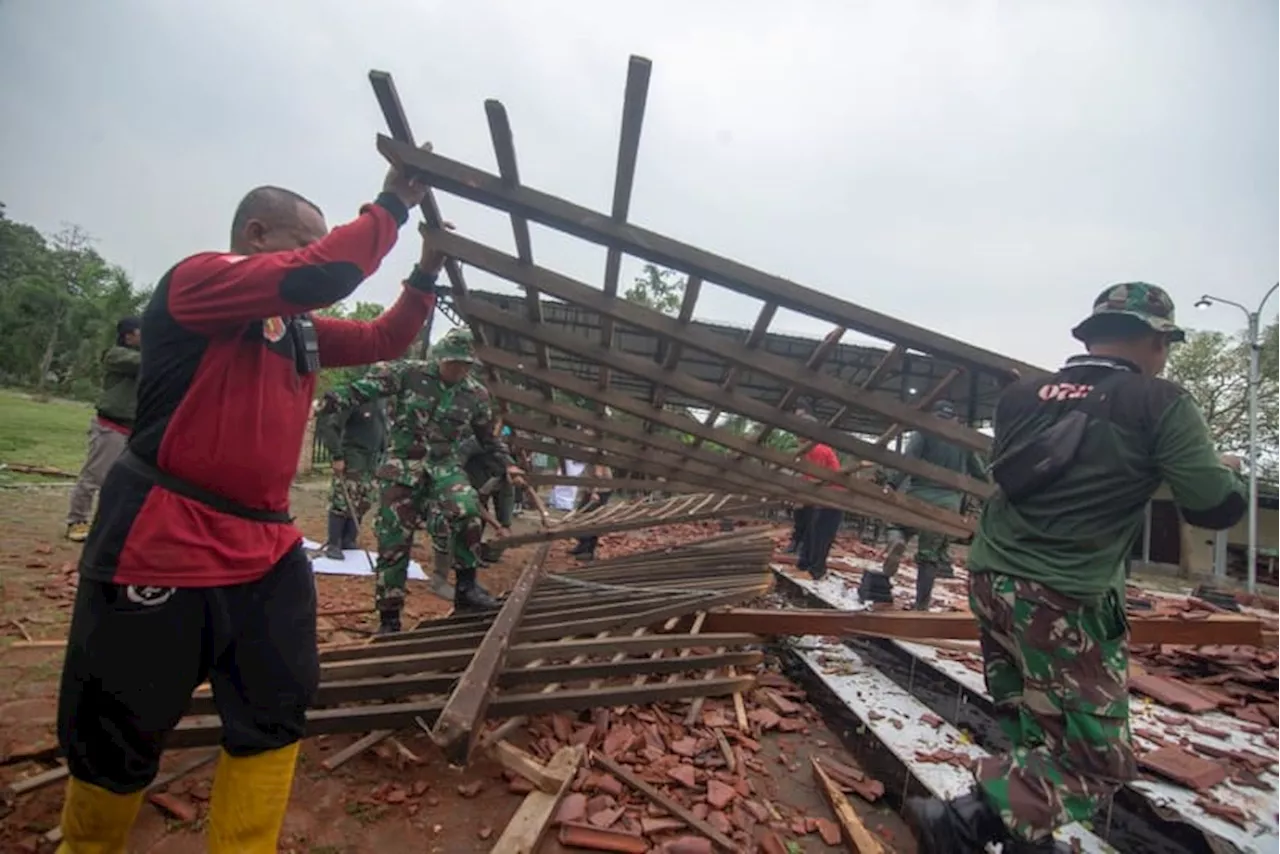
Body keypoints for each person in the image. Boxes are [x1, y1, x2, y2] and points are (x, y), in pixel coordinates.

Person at [54, 156, 445, 853]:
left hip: (265, 548)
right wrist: (393, 204)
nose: (316, 256)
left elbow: (385, 339)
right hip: (167, 536)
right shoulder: (200, 282)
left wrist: (424, 276)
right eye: (305, 239)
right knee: (120, 719)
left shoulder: (297, 330)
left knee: (276, 705)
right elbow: (327, 271)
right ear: (256, 235)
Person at [905, 283, 1247, 854]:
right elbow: (1213, 505)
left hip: (993, 578)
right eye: (1165, 345)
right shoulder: (1159, 401)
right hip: (1065, 593)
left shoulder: (1022, 396)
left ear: (1090, 335)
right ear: (1155, 340)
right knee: (1095, 758)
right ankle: (964, 821)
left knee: (1031, 722)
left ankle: (1027, 844)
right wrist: (1224, 467)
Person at [318, 328, 523, 633]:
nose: (458, 370)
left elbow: (488, 439)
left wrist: (510, 465)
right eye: (453, 363)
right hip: (402, 465)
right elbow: (364, 389)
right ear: (440, 358)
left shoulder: (476, 395)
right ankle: (389, 617)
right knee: (393, 540)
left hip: (444, 467)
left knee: (466, 509)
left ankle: (466, 588)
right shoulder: (407, 374)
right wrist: (329, 400)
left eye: (465, 365)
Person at [859, 399, 988, 610]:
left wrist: (892, 483)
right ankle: (921, 605)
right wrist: (989, 498)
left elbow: (908, 461)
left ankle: (897, 542)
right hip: (948, 504)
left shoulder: (925, 431)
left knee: (896, 525)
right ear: (954, 417)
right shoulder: (964, 440)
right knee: (930, 556)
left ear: (934, 414)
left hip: (919, 495)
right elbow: (979, 473)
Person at [65, 317, 142, 542]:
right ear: (128, 336)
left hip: (133, 430)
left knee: (125, 481)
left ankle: (112, 524)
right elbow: (144, 362)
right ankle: (76, 521)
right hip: (111, 427)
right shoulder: (116, 355)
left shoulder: (147, 359)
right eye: (141, 332)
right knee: (94, 477)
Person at [315, 392, 388, 560]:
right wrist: (337, 455)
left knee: (364, 499)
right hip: (353, 457)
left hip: (373, 460)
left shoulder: (381, 400)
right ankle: (334, 543)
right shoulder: (356, 397)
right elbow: (331, 427)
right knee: (343, 499)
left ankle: (349, 539)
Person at [795, 425, 843, 580]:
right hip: (819, 498)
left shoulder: (818, 450)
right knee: (811, 532)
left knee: (821, 535)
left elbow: (818, 478)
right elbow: (807, 477)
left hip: (832, 497)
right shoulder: (807, 451)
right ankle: (804, 565)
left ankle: (816, 570)